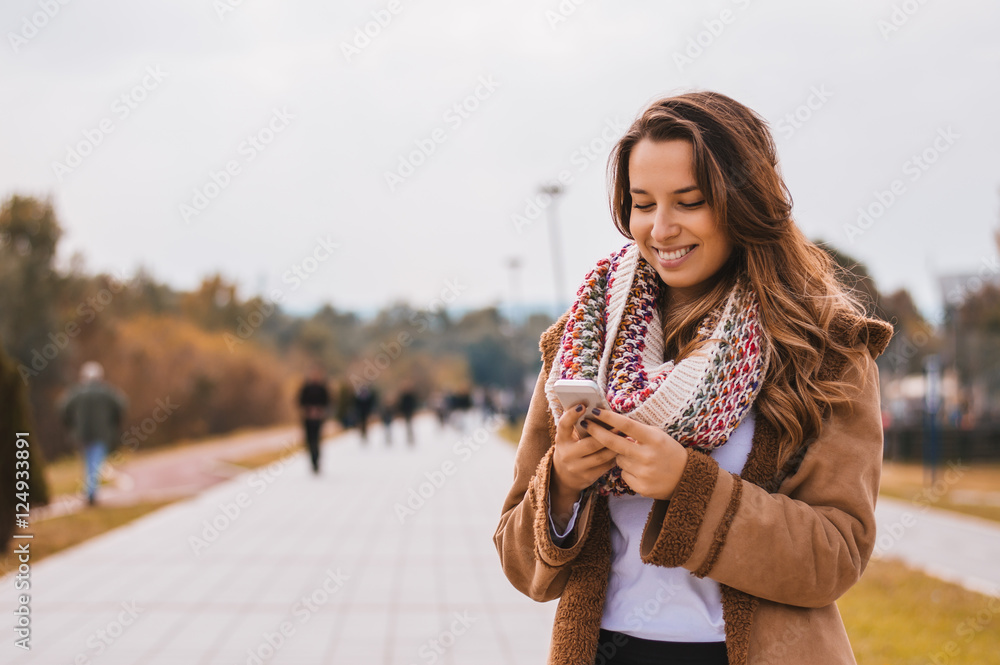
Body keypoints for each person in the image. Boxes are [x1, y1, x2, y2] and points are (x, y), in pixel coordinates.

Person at [493, 92, 894, 665]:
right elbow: (518, 562)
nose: (660, 228)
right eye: (642, 204)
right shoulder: (585, 340)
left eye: (689, 202)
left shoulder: (823, 350)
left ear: (743, 200)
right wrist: (559, 485)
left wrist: (689, 487)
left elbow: (835, 556)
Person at [60, 361, 127, 506]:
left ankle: (90, 491)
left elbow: (63, 408)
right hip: (100, 434)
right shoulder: (106, 391)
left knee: (89, 464)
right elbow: (121, 405)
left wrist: (72, 425)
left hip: (82, 435)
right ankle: (91, 493)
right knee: (95, 464)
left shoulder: (77, 392)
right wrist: (113, 423)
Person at [297, 364, 330, 474]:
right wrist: (308, 411)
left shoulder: (322, 388)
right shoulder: (306, 388)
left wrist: (319, 411)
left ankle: (317, 460)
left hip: (318, 419)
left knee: (317, 440)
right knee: (309, 440)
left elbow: (328, 402)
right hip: (307, 418)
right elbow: (300, 401)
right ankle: (312, 461)